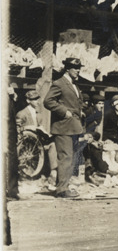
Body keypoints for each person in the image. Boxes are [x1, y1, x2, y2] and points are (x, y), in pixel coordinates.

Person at [43, 57, 85, 198]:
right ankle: (61, 190)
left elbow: (73, 102)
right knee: (65, 158)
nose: (78, 71)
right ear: (67, 69)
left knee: (71, 158)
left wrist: (79, 111)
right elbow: (48, 101)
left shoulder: (74, 85)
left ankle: (63, 186)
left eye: (79, 68)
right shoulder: (59, 83)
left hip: (73, 126)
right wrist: (64, 111)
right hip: (63, 127)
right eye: (75, 68)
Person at [16, 88, 57, 186]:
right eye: (34, 99)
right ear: (28, 101)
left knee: (52, 144)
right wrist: (28, 127)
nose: (37, 101)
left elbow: (40, 127)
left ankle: (53, 172)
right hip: (27, 143)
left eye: (38, 99)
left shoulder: (39, 114)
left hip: (39, 141)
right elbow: (17, 130)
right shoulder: (21, 114)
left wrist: (44, 132)